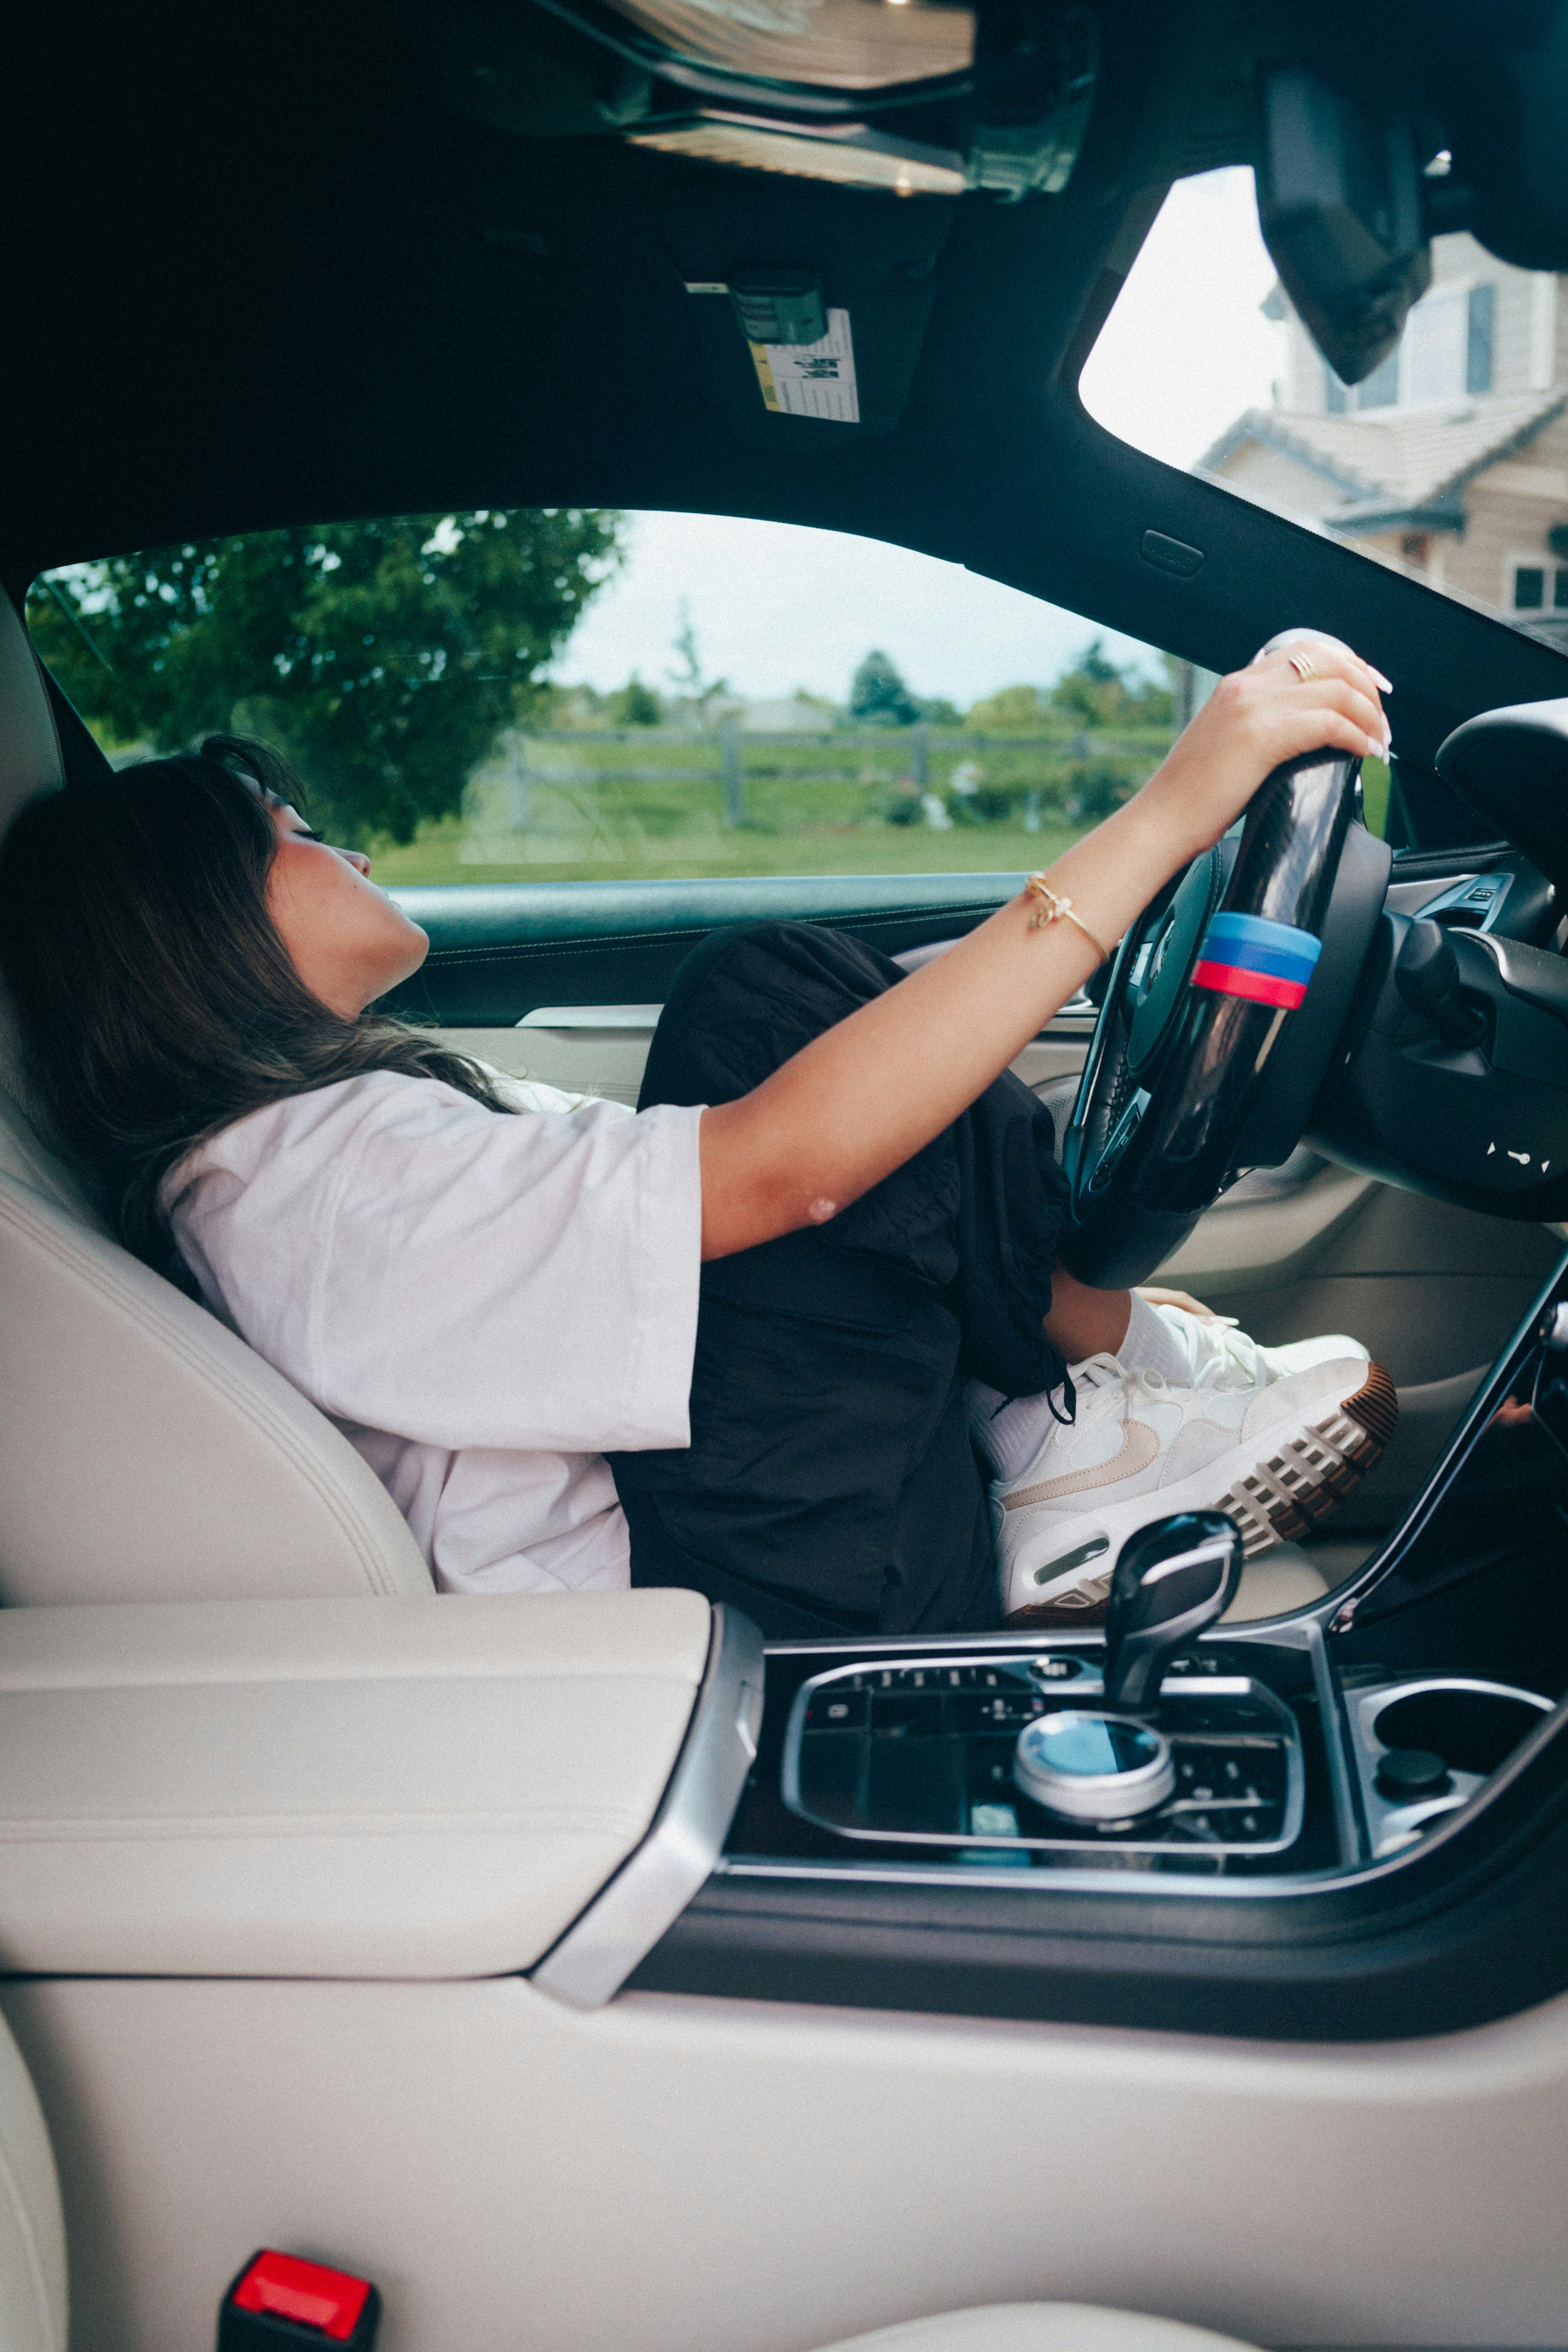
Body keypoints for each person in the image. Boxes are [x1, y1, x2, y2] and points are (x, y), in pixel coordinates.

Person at [0, 638, 1396, 1638]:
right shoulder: (312, 1183)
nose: (347, 850)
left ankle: (1080, 1395)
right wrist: (1169, 812)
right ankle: (1083, 1402)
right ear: (201, 931)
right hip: (758, 1597)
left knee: (811, 1028)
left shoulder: (310, 1153)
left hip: (761, 1541)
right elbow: (791, 1168)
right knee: (761, 999)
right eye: (296, 835)